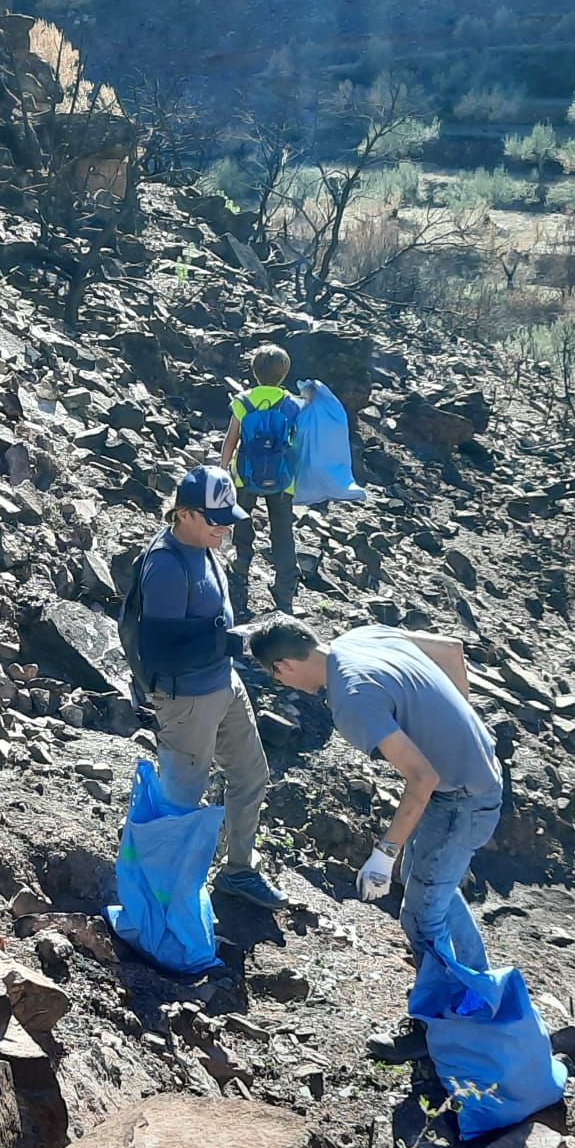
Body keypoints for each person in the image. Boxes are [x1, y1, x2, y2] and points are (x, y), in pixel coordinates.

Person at [250, 616, 502, 1063]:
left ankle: (435, 1028)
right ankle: (480, 991)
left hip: (461, 797)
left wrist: (383, 853)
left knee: (421, 915)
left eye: (275, 675)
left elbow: (422, 778)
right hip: (476, 770)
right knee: (426, 886)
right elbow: (452, 650)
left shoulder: (351, 699)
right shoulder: (364, 635)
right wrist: (455, 725)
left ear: (284, 666)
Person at [120, 467, 287, 910]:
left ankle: (238, 871)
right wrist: (230, 641)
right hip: (186, 699)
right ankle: (159, 896)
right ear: (187, 514)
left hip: (222, 683)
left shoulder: (204, 545)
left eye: (228, 517)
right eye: (216, 518)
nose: (226, 526)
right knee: (182, 800)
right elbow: (162, 652)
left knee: (251, 775)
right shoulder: (167, 566)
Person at [219, 342, 303, 618]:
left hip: (246, 474)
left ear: (255, 372)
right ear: (285, 373)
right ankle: (285, 589)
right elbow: (299, 442)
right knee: (282, 529)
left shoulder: (243, 401)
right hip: (282, 478)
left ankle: (242, 562)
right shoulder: (292, 404)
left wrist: (223, 468)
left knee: (242, 516)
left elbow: (231, 439)